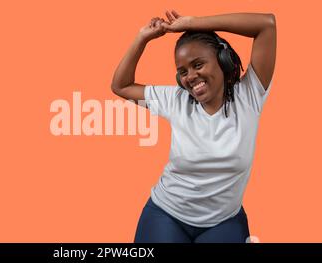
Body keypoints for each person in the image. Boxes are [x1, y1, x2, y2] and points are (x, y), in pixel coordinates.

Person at [111, 10, 276, 243]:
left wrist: (193, 23)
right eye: (183, 72)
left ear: (223, 61)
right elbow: (121, 85)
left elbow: (266, 24)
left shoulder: (249, 96)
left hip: (223, 220)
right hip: (166, 214)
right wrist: (142, 38)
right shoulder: (176, 100)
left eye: (198, 64)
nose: (190, 77)